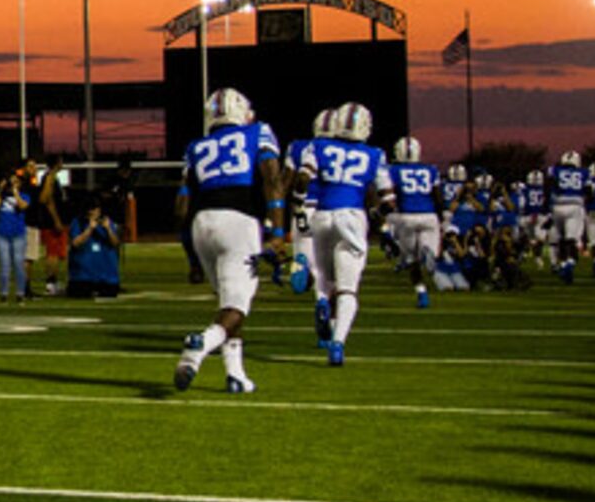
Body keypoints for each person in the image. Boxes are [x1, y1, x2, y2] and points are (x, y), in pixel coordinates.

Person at [173, 88, 285, 394]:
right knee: (238, 304)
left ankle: (235, 374)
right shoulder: (258, 132)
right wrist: (277, 232)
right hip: (238, 221)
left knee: (229, 302)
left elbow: (181, 207)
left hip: (201, 224)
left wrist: (192, 259)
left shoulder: (196, 146)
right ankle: (200, 346)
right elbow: (272, 179)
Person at [293, 102, 388, 366]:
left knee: (325, 276)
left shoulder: (319, 146)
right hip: (352, 216)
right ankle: (338, 342)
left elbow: (302, 179)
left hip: (322, 216)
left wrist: (299, 204)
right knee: (348, 289)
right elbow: (387, 199)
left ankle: (322, 301)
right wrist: (381, 219)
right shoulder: (375, 154)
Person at [388, 136, 443, 307]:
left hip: (406, 216)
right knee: (431, 253)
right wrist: (441, 217)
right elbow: (437, 197)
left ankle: (421, 293)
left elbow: (390, 195)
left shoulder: (393, 170)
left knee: (411, 260)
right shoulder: (431, 170)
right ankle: (428, 252)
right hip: (428, 215)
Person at [0, 161, 38, 302]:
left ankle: (20, 293)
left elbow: (23, 206)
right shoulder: (2, 196)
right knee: (5, 265)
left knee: (18, 264)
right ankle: (4, 293)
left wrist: (16, 193)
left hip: (18, 234)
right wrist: (0, 190)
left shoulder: (24, 195)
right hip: (2, 234)